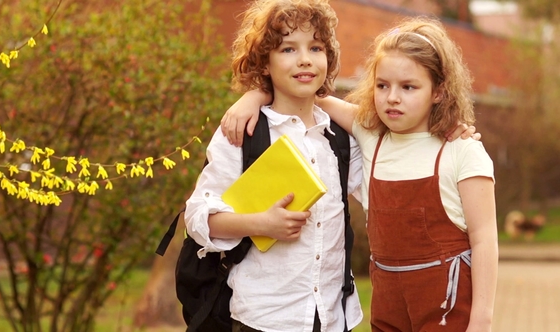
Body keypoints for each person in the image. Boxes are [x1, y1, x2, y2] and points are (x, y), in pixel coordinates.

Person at [220, 16, 497, 332]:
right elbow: (302, 91)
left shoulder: (462, 150)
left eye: (408, 87)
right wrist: (254, 95)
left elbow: (484, 239)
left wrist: (482, 319)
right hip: (388, 307)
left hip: (446, 307)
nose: (392, 97)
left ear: (439, 91)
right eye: (382, 85)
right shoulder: (371, 136)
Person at [183, 0, 364, 331]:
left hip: (334, 318)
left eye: (316, 47)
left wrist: (453, 131)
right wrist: (260, 223)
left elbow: (392, 159)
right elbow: (197, 218)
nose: (305, 58)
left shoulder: (338, 140)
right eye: (287, 49)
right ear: (264, 63)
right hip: (264, 319)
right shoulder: (245, 132)